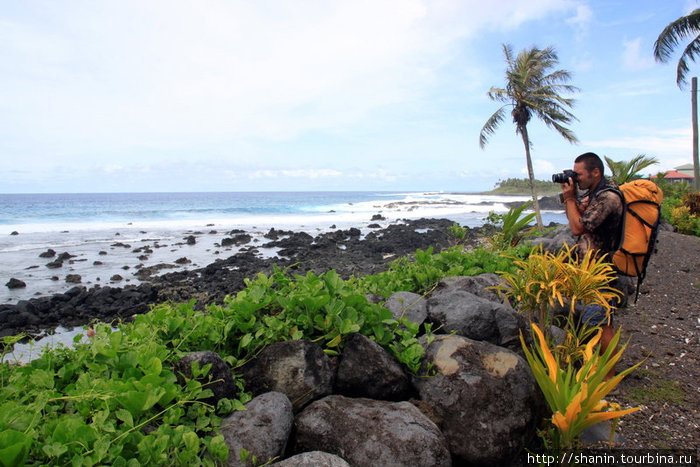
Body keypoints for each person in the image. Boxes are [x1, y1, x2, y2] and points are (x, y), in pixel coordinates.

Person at [560, 152, 623, 378]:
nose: (576, 179)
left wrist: (569, 198)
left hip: (601, 270)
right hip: (589, 269)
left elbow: (578, 228)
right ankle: (595, 367)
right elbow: (576, 214)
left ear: (596, 172)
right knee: (592, 319)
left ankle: (608, 376)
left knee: (602, 323)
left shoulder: (608, 198)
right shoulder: (595, 194)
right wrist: (571, 195)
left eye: (579, 175)